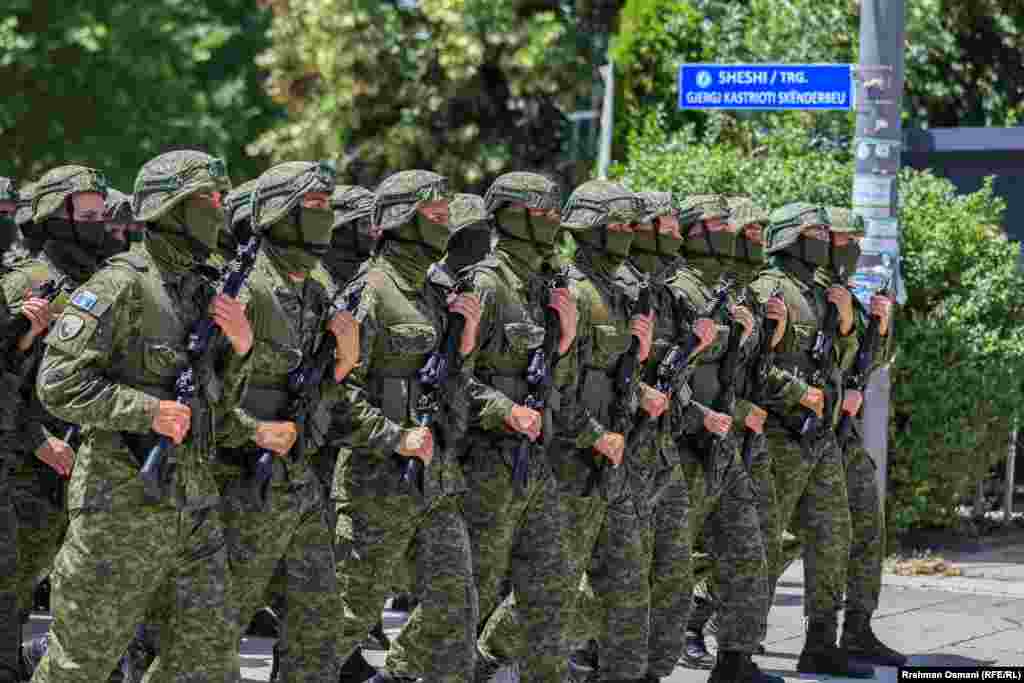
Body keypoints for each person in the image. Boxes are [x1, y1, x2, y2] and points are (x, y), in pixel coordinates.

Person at [30, 149, 254, 683]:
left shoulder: (209, 287)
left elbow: (217, 410)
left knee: (207, 661)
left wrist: (242, 348)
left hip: (193, 504)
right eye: (206, 199)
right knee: (79, 665)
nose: (217, 208)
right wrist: (148, 411)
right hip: (119, 508)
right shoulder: (120, 285)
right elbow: (57, 384)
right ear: (170, 207)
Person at [331, 170, 482, 683]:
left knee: (455, 602)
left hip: (435, 483)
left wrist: (463, 349)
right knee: (347, 616)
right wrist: (393, 436)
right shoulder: (368, 293)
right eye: (435, 219)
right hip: (376, 485)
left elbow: (452, 398)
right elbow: (334, 395)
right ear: (402, 222)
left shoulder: (437, 293)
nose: (446, 229)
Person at [209, 160, 350, 681]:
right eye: (312, 206)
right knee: (214, 626)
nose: (324, 216)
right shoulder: (243, 287)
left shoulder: (315, 287)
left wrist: (343, 364)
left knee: (318, 619)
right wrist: (253, 432)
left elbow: (313, 392)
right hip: (238, 478)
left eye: (326, 207)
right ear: (279, 214)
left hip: (295, 476)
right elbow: (201, 398)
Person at [451, 173, 578, 682]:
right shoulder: (484, 284)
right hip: (487, 458)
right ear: (510, 216)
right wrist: (505, 410)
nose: (552, 222)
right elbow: (452, 377)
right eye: (541, 212)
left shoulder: (545, 284)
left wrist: (565, 339)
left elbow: (558, 378)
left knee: (552, 577)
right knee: (472, 584)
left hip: (535, 457)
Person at [2, 165, 120, 683]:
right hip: (27, 466)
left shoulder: (106, 282)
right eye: (87, 215)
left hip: (91, 461)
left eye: (101, 214)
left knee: (97, 588)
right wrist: (37, 440)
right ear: (56, 217)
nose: (99, 224)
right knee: (10, 589)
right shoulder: (26, 285)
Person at [747, 203, 874, 679]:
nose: (825, 241)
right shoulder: (767, 290)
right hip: (779, 435)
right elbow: (752, 366)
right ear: (788, 239)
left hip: (818, 437)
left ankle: (820, 641)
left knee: (832, 535)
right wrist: (800, 394)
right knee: (763, 542)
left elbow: (838, 361)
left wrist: (844, 323)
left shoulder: (820, 293)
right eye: (815, 233)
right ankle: (735, 644)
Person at [624, 190, 718, 682]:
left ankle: (653, 669)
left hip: (663, 449)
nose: (677, 234)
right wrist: (637, 388)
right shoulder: (616, 287)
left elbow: (674, 378)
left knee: (674, 573)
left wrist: (698, 349)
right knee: (623, 574)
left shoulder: (667, 293)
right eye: (667, 225)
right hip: (621, 452)